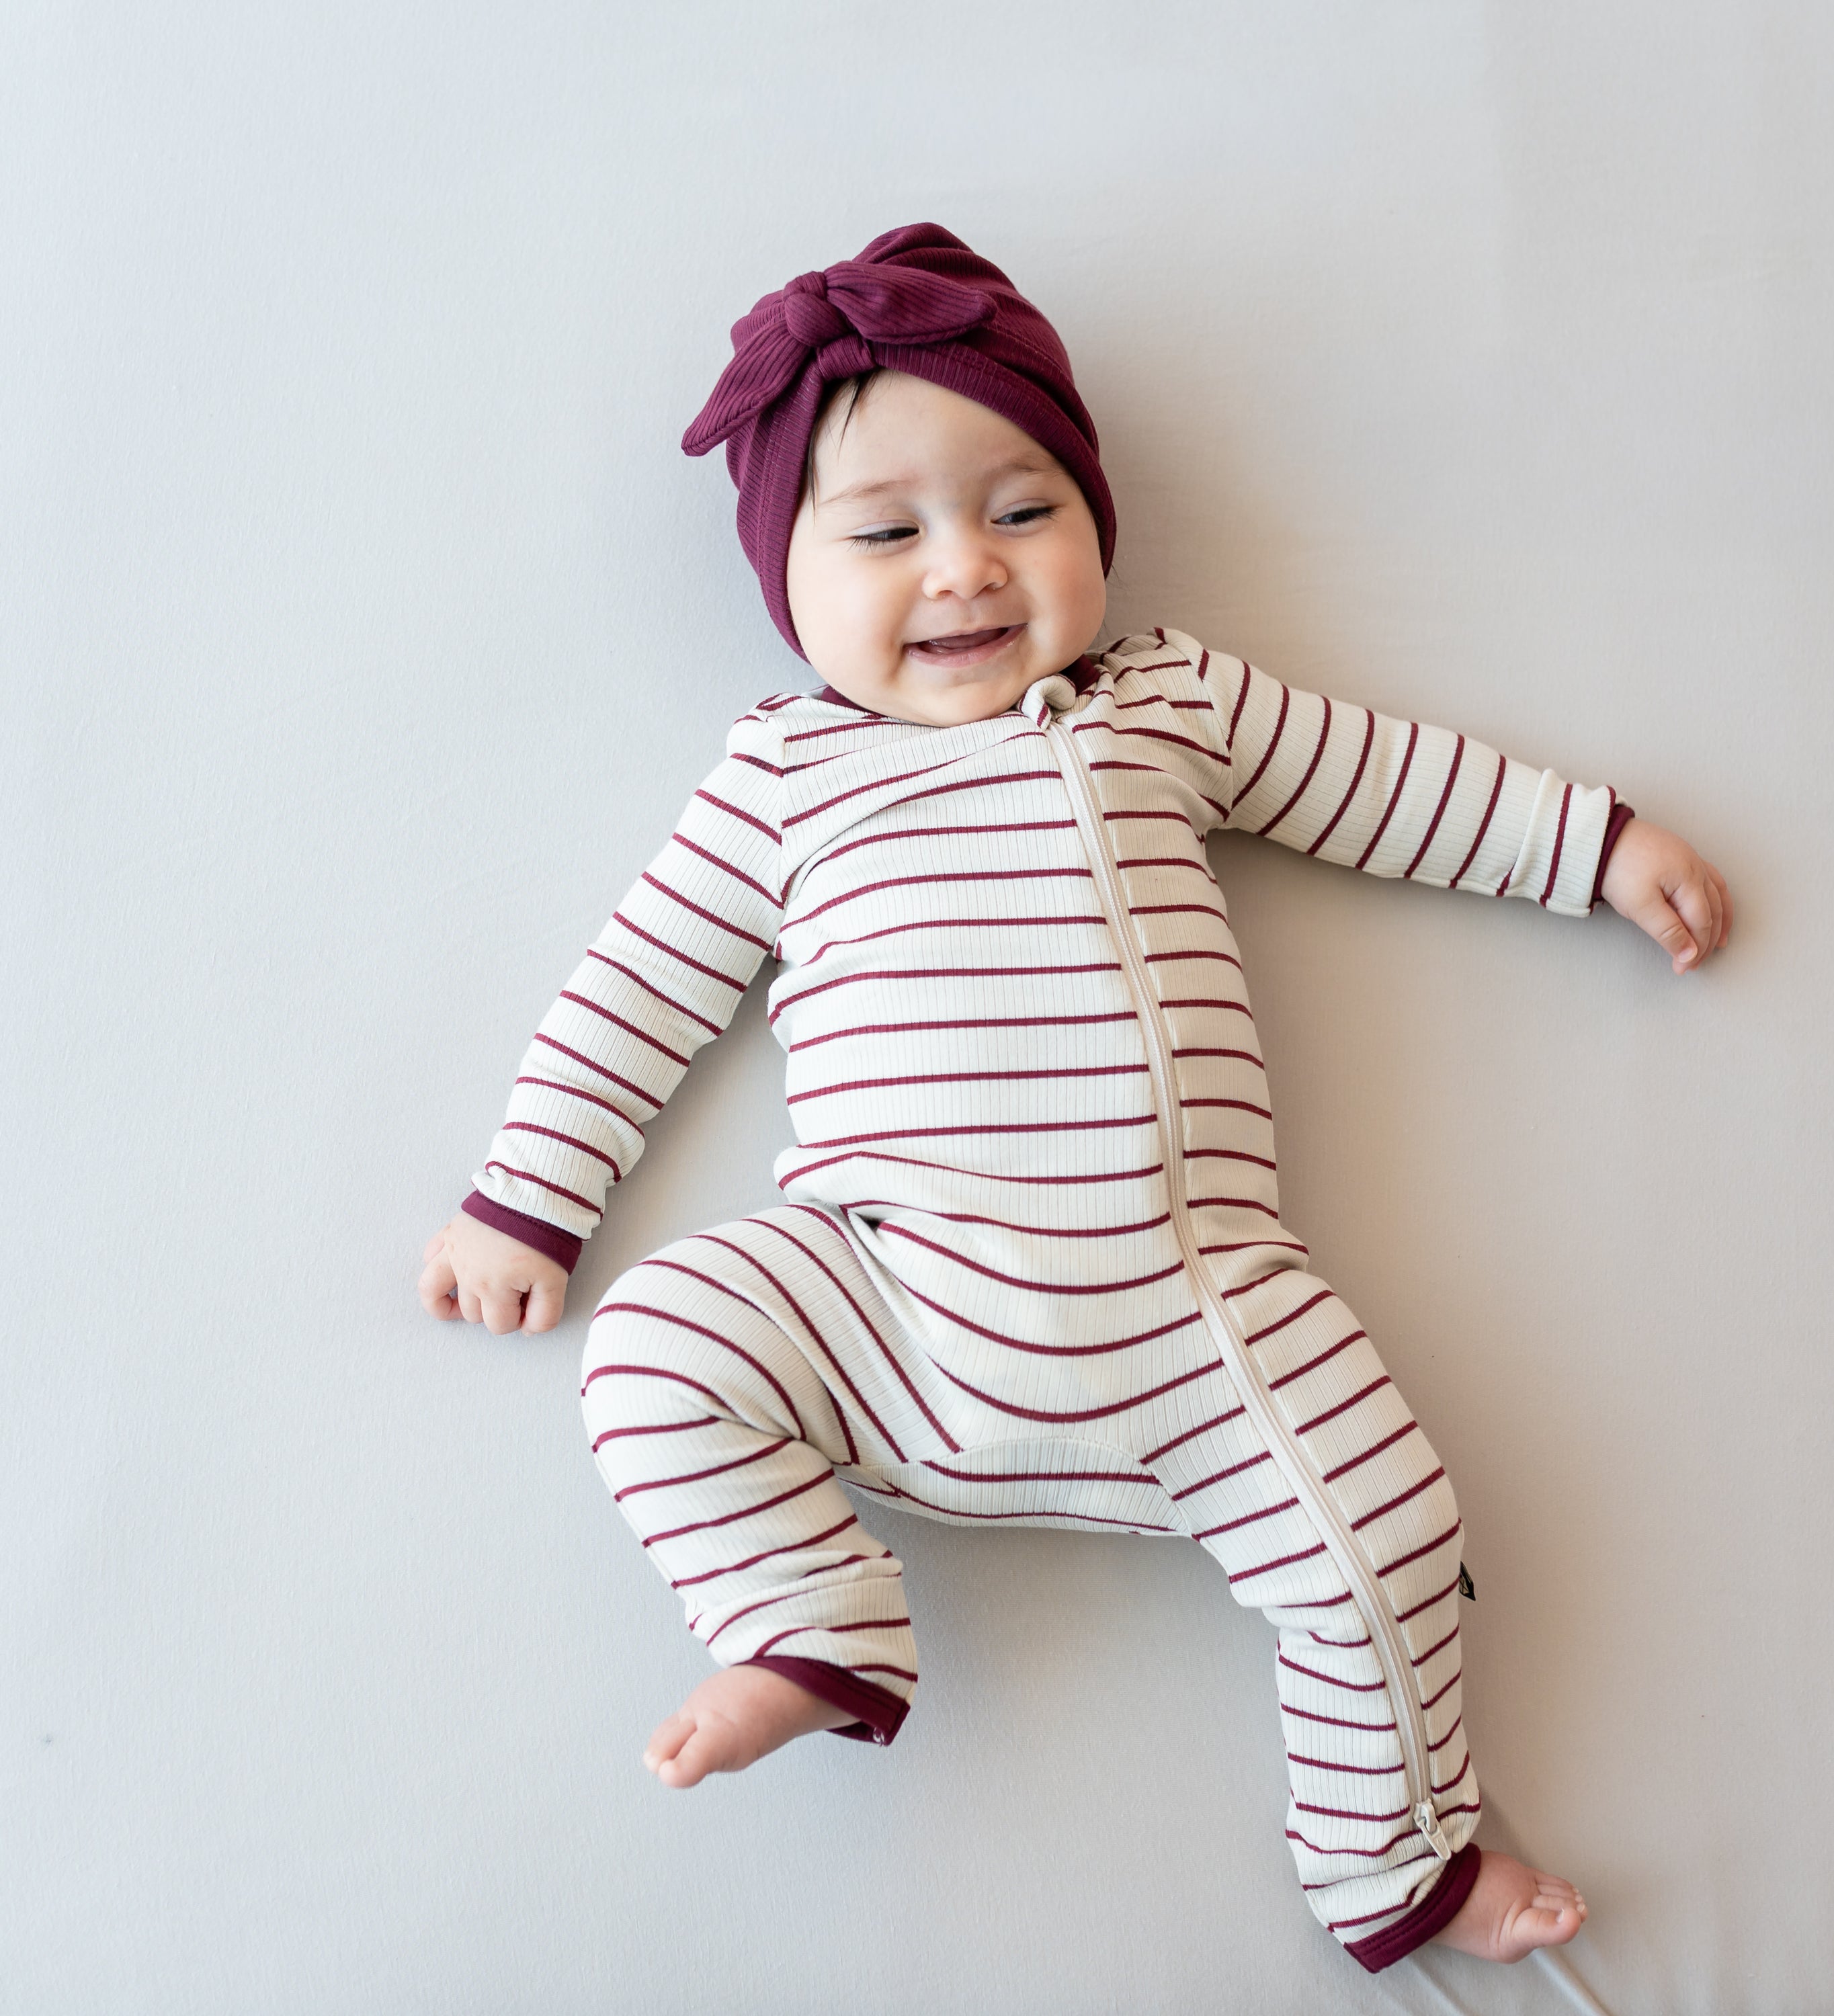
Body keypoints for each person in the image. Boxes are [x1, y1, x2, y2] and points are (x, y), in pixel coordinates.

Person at [417, 224, 1729, 1974]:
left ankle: (1395, 1857)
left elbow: (1387, 783)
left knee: (1386, 1540)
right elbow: (642, 991)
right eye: (885, 533)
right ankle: (811, 1623)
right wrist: (528, 1197)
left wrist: (1594, 845)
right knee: (655, 1346)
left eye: (1022, 510)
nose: (964, 570)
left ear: (1094, 518)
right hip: (892, 1298)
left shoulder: (1165, 703)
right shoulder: (784, 776)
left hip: (1207, 1316)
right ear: (784, 578)